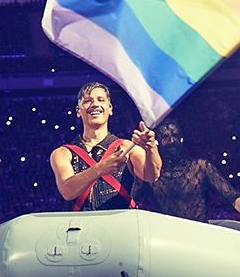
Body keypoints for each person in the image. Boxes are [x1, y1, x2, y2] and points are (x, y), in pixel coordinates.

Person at [136, 119, 240, 240]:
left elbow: (232, 195)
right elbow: (129, 197)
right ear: (157, 141)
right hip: (166, 239)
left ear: (182, 138)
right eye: (166, 137)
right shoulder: (148, 172)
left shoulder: (201, 167)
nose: (172, 141)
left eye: (175, 135)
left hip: (200, 237)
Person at [50, 82, 162, 211]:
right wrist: (101, 168)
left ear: (110, 109)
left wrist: (151, 148)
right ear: (78, 111)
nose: (95, 104)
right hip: (82, 227)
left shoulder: (127, 147)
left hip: (120, 225)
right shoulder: (63, 153)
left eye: (100, 100)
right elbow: (67, 191)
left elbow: (152, 176)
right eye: (87, 101)